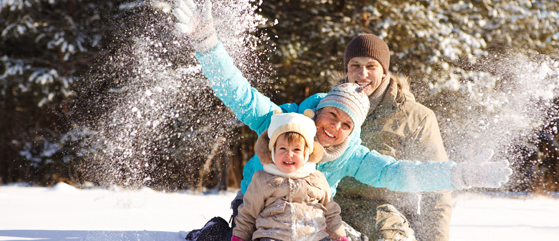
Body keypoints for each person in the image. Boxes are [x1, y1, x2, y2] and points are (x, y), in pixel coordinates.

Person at [172, 1, 513, 240]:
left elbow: (400, 173)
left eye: (346, 125)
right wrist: (207, 44)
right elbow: (238, 92)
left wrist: (464, 174)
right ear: (318, 112)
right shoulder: (284, 122)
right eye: (332, 116)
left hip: (309, 220)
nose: (335, 128)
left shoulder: (352, 153)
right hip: (257, 208)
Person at [300, 35, 452, 240]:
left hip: (385, 214)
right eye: (355, 65)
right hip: (326, 206)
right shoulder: (326, 108)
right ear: (347, 69)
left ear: (384, 71)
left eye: (371, 66)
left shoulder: (417, 118)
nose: (362, 74)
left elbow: (436, 188)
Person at [232, 110, 348, 241]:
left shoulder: (317, 178)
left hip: (314, 236)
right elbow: (248, 214)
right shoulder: (262, 179)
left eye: (296, 149)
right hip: (273, 235)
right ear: (272, 151)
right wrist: (239, 237)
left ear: (307, 153)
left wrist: (339, 237)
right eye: (282, 149)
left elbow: (331, 213)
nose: (289, 154)